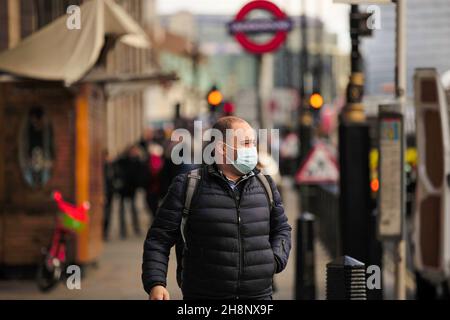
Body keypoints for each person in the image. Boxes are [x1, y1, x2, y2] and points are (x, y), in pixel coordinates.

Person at [142, 116, 292, 300]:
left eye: (253, 143)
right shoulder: (188, 186)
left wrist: (274, 260)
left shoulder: (265, 184)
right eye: (246, 143)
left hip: (258, 298)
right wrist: (156, 283)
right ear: (222, 148)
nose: (252, 149)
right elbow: (159, 238)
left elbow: (282, 229)